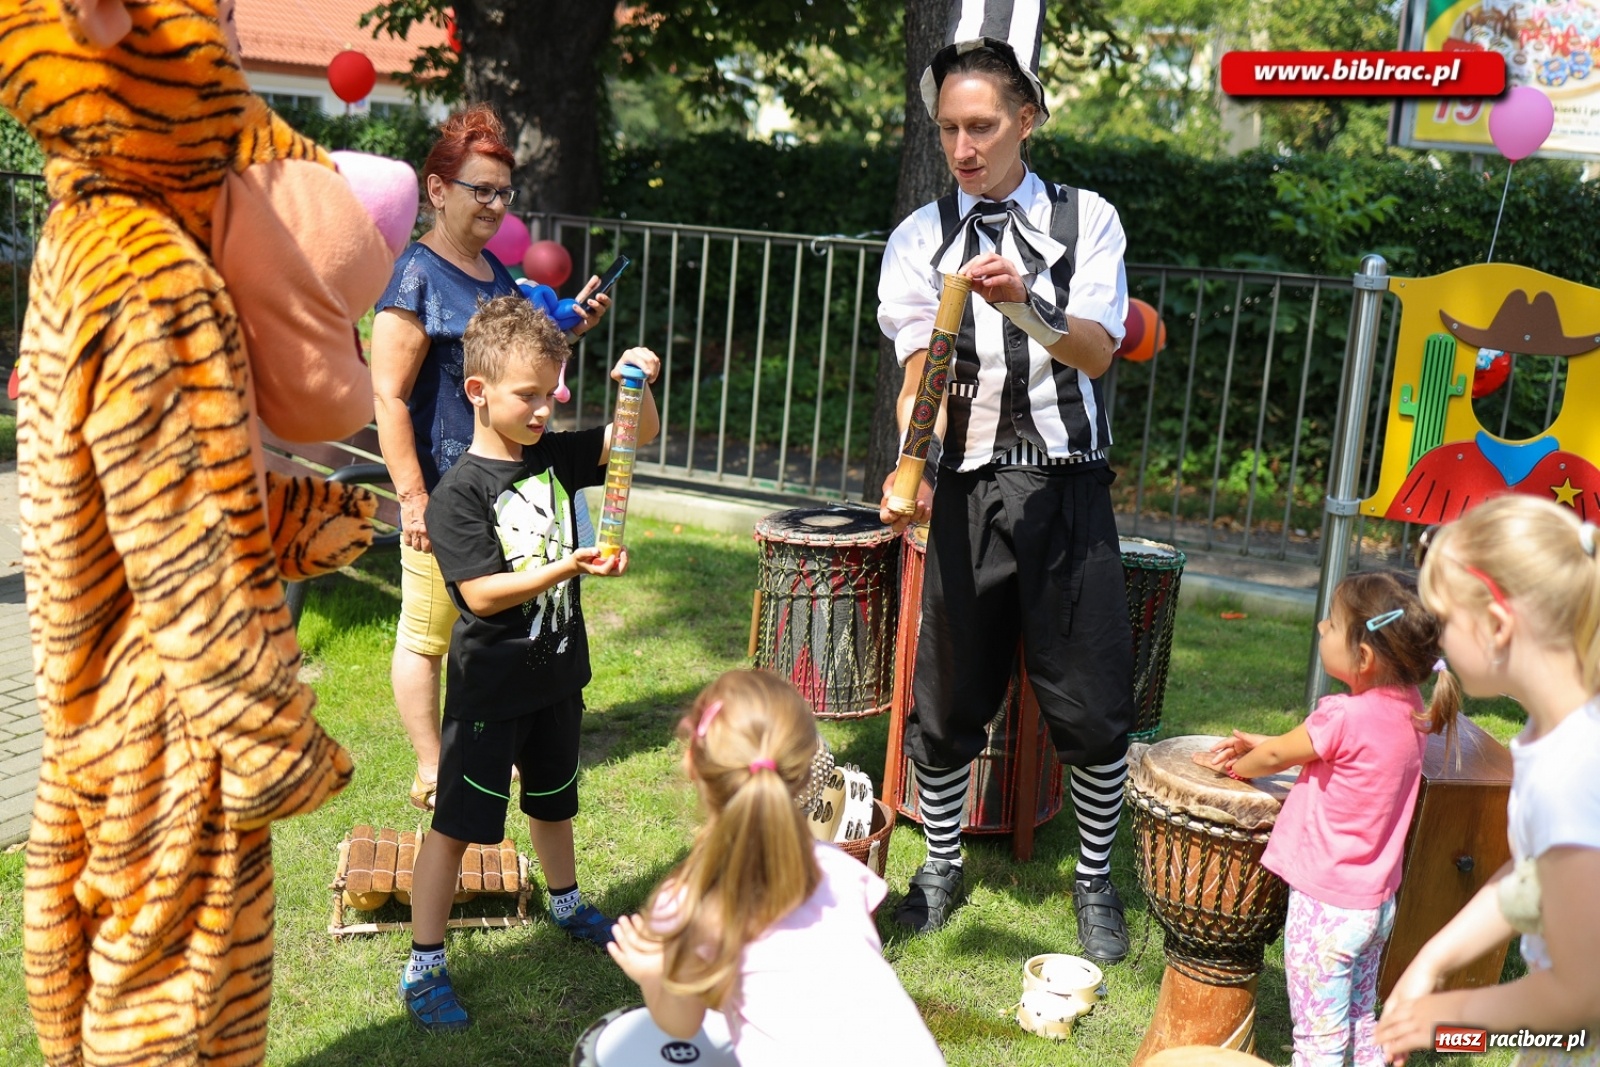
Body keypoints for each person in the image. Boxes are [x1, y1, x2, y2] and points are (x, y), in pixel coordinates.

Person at [875, 16, 1137, 960]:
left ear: (1027, 120)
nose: (963, 147)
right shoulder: (919, 236)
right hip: (966, 484)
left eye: (982, 126)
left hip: (1067, 487)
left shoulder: (1086, 219)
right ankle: (940, 866)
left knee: (1091, 700)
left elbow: (1096, 352)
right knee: (948, 697)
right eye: (949, 128)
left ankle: (1095, 881)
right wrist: (910, 461)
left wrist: (1021, 299)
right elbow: (918, 367)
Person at [397, 295, 660, 1032]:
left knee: (554, 800)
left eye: (552, 393)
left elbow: (634, 437)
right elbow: (481, 594)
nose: (544, 409)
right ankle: (423, 963)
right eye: (527, 395)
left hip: (558, 675)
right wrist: (568, 565)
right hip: (490, 692)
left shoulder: (554, 455)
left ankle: (566, 901)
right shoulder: (457, 494)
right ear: (478, 391)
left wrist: (637, 383)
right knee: (455, 825)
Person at [372, 104, 612, 812]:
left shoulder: (493, 270)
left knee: (491, 625)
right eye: (481, 189)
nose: (495, 205)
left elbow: (513, 360)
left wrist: (570, 328)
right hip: (445, 491)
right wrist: (413, 497)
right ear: (437, 189)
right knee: (427, 632)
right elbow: (389, 395)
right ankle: (432, 767)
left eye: (504, 192)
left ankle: (489, 744)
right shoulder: (414, 276)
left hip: (504, 488)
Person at [607, 669, 947, 1066]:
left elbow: (682, 1023)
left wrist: (653, 974)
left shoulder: (693, 900)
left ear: (691, 764)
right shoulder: (837, 869)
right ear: (805, 774)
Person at [1193, 570, 1462, 1067]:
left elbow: (1277, 757)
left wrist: (1238, 767)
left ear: (1364, 657)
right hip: (1375, 907)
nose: (1321, 627)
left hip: (1326, 911)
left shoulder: (1341, 715)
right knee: (1360, 1019)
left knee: (1318, 1041)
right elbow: (1331, 756)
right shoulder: (1412, 711)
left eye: (1333, 624)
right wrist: (1265, 745)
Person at [1375, 497, 1600, 1066]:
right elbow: (1533, 872)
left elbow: (1581, 995)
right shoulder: (1556, 735)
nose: (1438, 640)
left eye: (1445, 621)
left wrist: (1451, 1016)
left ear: (1497, 626)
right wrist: (1433, 960)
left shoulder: (1571, 771)